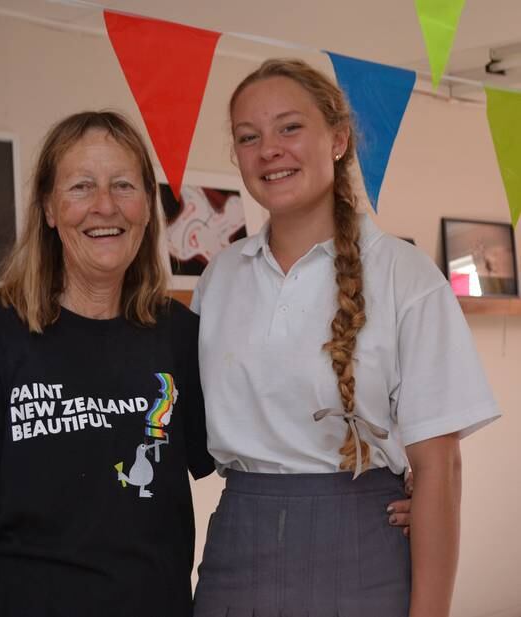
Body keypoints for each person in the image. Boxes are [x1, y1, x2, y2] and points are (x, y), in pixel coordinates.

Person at [191, 59, 501, 617]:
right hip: (235, 556)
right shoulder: (219, 280)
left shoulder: (405, 277)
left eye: (290, 127)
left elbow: (439, 470)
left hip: (363, 551)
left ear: (338, 139)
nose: (269, 150)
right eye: (248, 136)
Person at [0, 111, 214, 617]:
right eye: (80, 187)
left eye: (123, 185)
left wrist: (386, 482)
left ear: (146, 207)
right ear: (49, 208)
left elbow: (262, 461)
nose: (104, 206)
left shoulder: (179, 335)